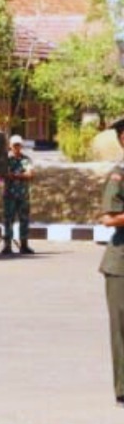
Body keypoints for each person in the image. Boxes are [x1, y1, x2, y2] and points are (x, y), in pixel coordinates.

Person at [97, 118, 124, 404]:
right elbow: (108, 218)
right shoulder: (119, 175)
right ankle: (123, 389)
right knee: (122, 328)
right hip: (120, 265)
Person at [3, 133, 34, 255]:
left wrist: (14, 175)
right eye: (14, 145)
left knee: (24, 220)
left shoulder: (25, 159)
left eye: (18, 145)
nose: (16, 147)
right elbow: (4, 174)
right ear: (10, 146)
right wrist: (21, 175)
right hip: (9, 195)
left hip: (23, 195)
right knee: (8, 220)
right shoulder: (6, 159)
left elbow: (30, 174)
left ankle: (24, 245)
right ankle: (7, 246)